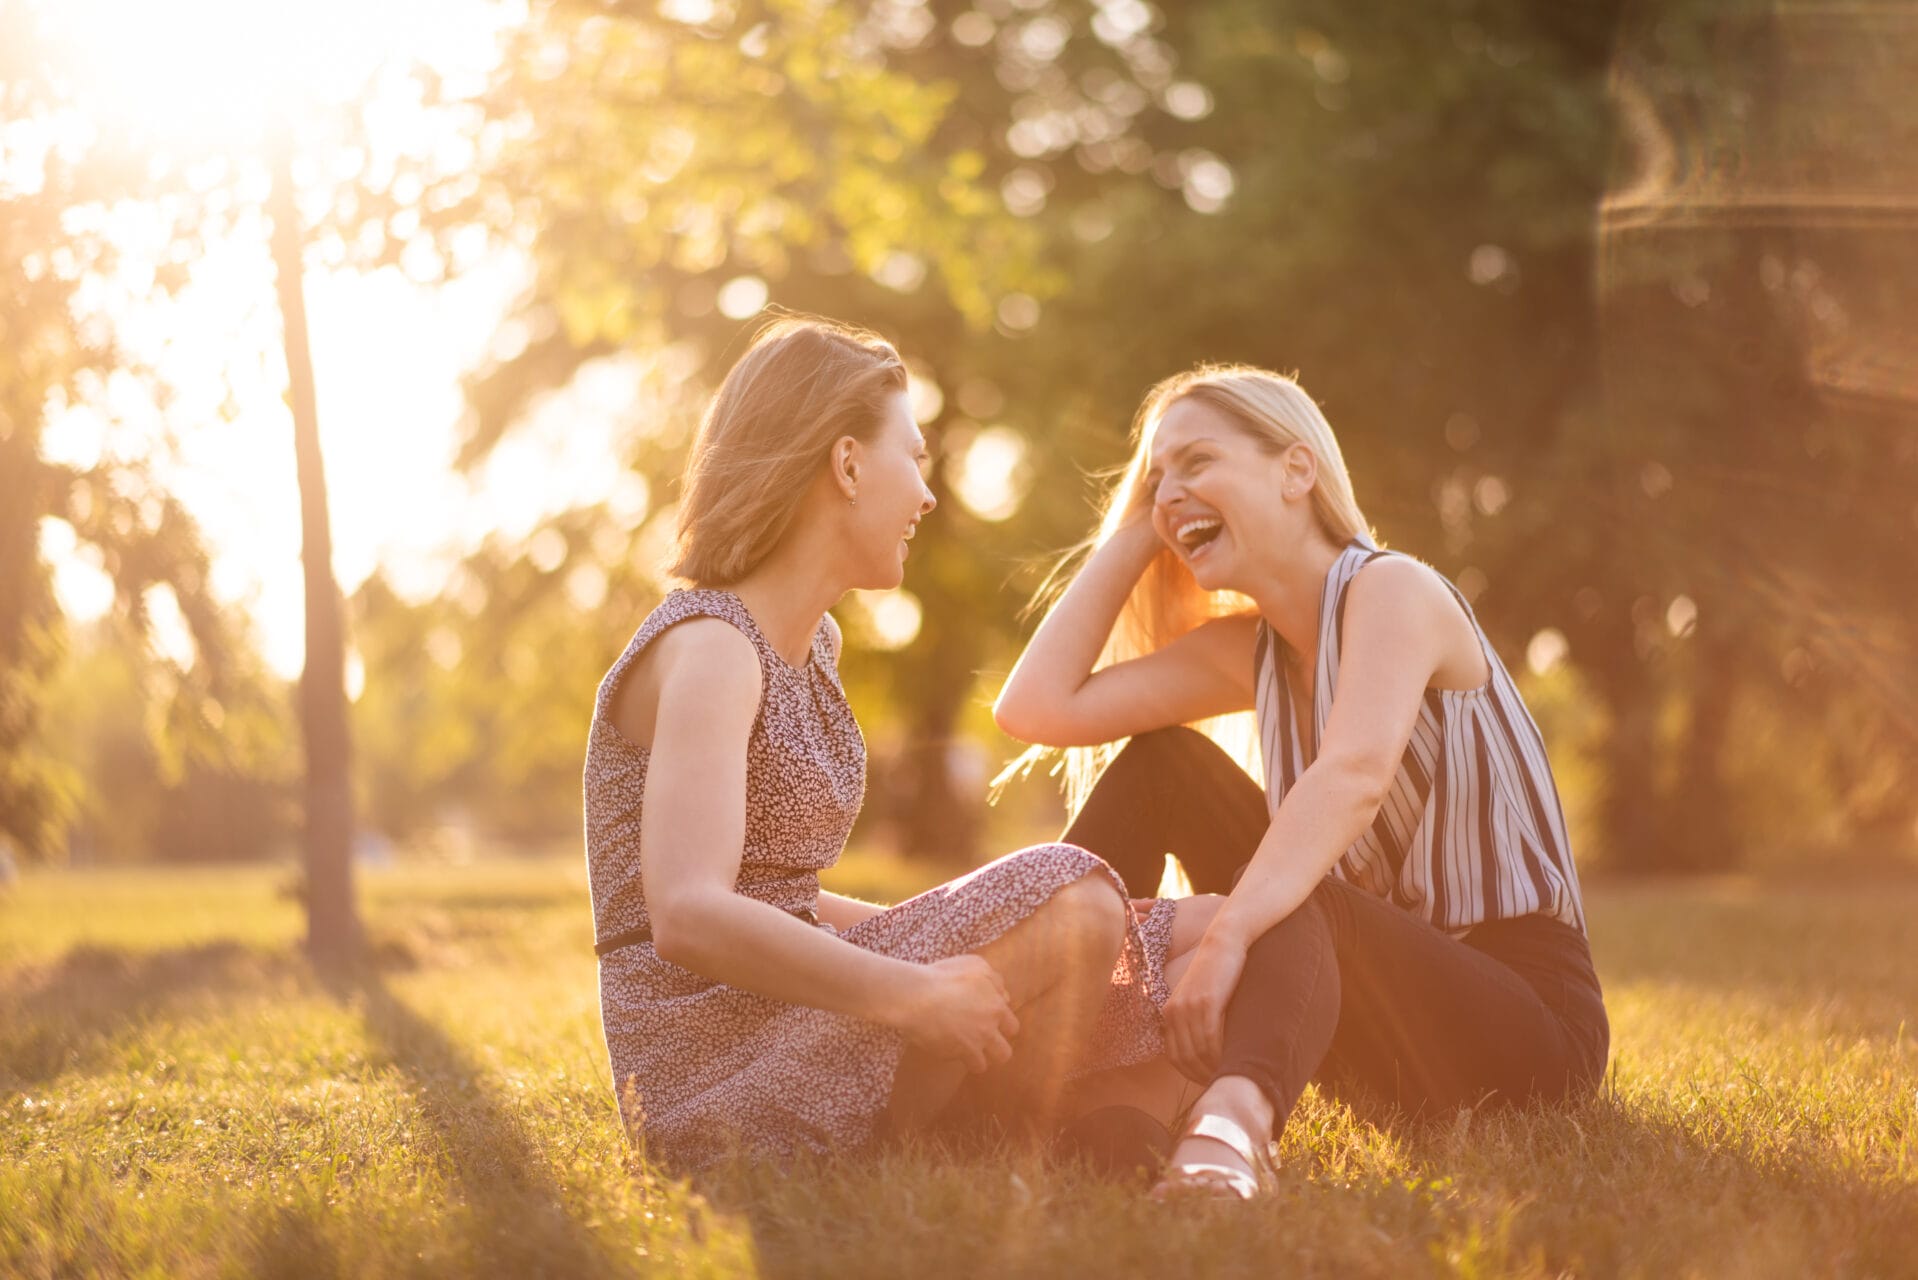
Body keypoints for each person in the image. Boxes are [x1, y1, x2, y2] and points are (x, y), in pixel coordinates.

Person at [995, 365, 1610, 1198]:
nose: (1171, 491)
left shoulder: (1397, 590)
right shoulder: (1249, 651)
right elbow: (1035, 708)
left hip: (1528, 1028)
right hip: (1369, 1016)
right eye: (1156, 476)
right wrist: (1140, 529)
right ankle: (1019, 1041)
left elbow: (1353, 775)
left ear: (1296, 470)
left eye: (1198, 462)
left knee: (1292, 884)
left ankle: (1229, 1133)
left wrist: (1224, 939)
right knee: (1163, 765)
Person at [582, 315, 1174, 1172]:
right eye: (916, 457)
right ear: (848, 464)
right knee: (1076, 899)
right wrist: (916, 990)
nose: (928, 497)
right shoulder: (712, 649)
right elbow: (687, 915)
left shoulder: (812, 644)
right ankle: (997, 1119)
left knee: (1133, 924)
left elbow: (783, 900)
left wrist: (955, 934)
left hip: (787, 1010)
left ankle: (1027, 1117)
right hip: (709, 1070)